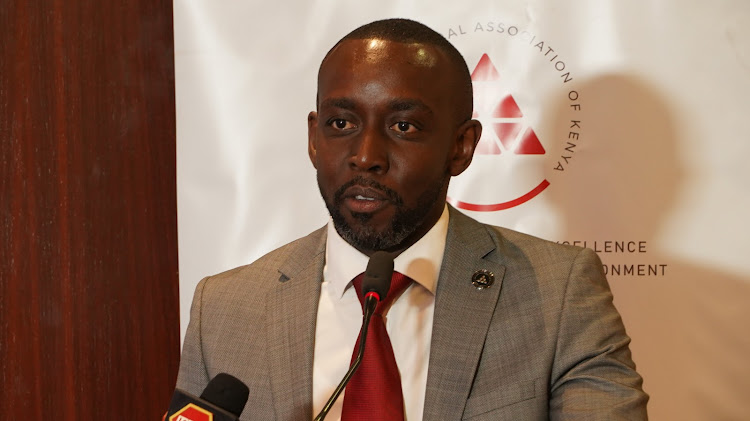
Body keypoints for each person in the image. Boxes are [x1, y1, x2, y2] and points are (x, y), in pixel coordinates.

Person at [176, 18, 648, 420]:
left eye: (403, 127)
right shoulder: (224, 310)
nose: (366, 157)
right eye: (341, 124)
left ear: (461, 147)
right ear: (314, 139)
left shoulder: (560, 292)